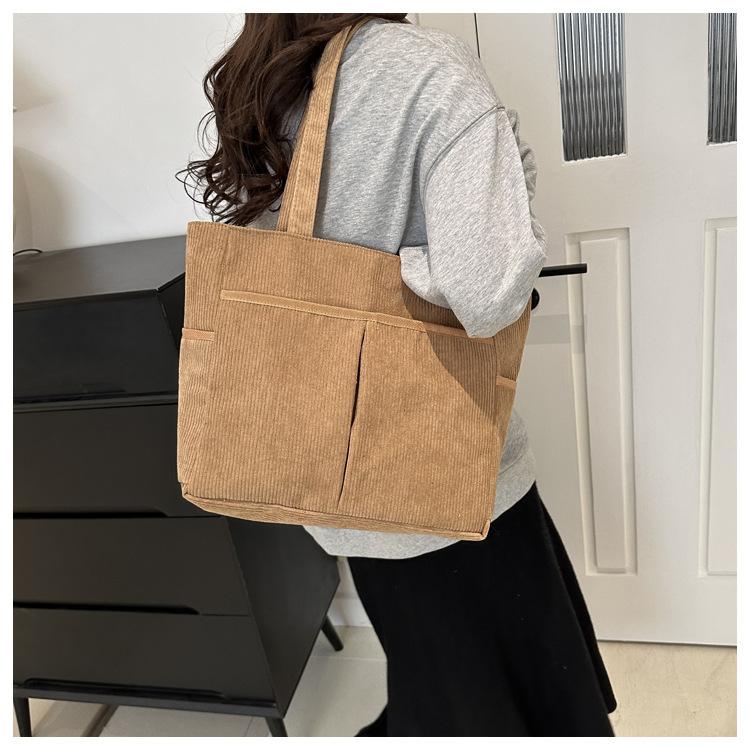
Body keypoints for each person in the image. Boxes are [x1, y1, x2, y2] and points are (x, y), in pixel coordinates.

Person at [182, 13, 617, 737]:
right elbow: (487, 288)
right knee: (513, 706)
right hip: (447, 480)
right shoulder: (428, 70)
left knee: (440, 685)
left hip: (339, 491)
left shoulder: (265, 71)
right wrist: (412, 268)